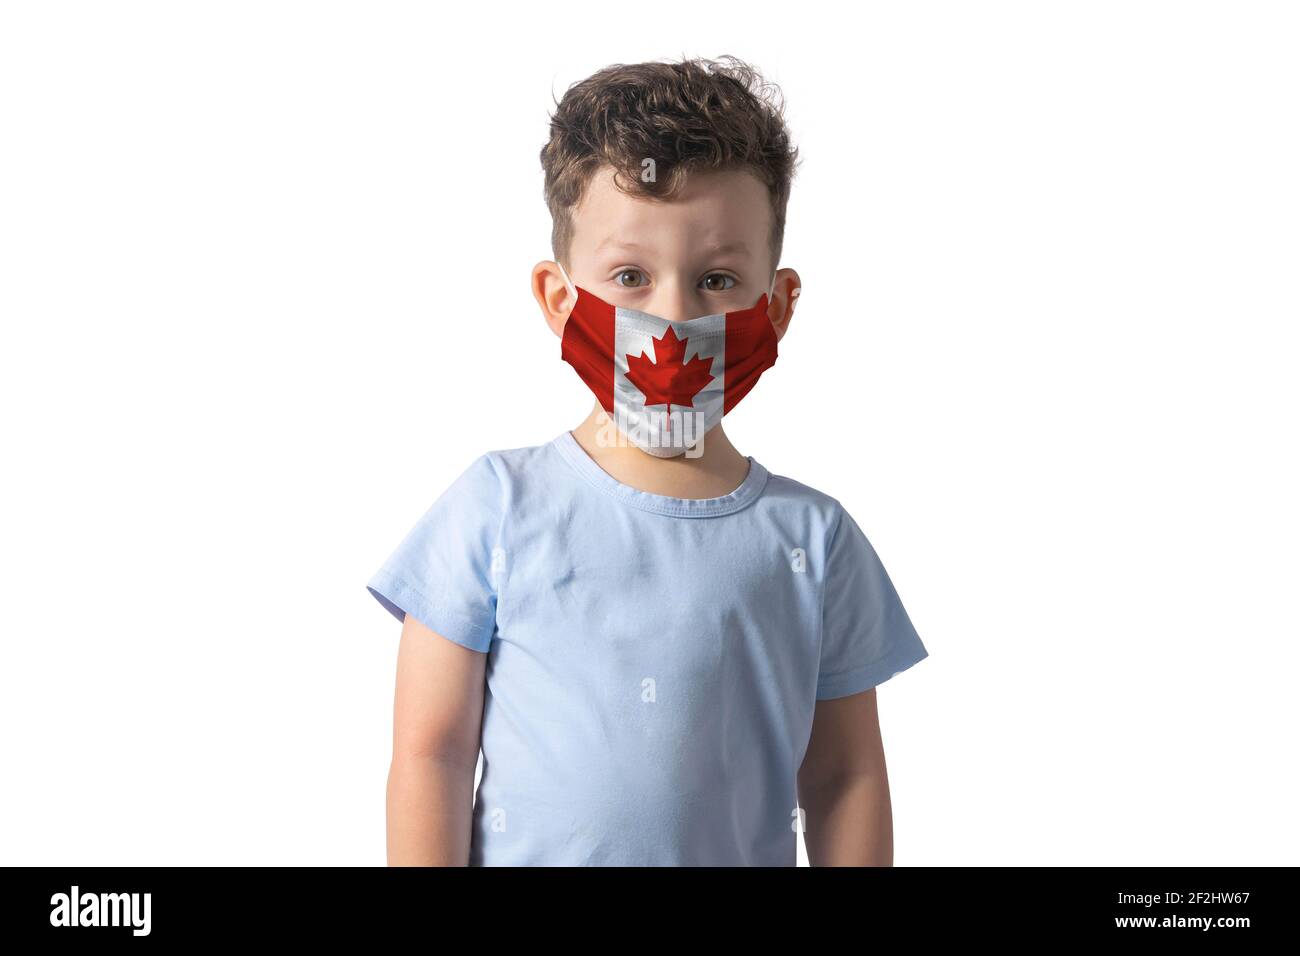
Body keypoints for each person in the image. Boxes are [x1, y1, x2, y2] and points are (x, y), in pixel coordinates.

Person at [368, 55, 929, 866]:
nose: (672, 319)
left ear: (773, 307)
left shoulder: (815, 539)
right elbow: (432, 756)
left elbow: (845, 778)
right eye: (630, 276)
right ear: (561, 300)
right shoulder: (496, 506)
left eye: (716, 279)